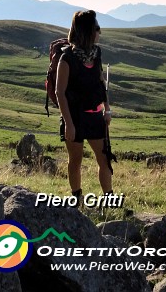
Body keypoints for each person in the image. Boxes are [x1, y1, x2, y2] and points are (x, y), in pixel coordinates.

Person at [55, 10, 113, 200]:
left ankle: (109, 200)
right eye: (96, 28)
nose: (99, 32)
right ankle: (77, 199)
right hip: (75, 118)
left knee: (104, 159)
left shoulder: (97, 54)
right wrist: (68, 124)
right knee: (76, 160)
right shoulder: (66, 59)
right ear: (87, 31)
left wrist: (107, 108)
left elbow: (100, 83)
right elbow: (59, 93)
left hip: (95, 116)